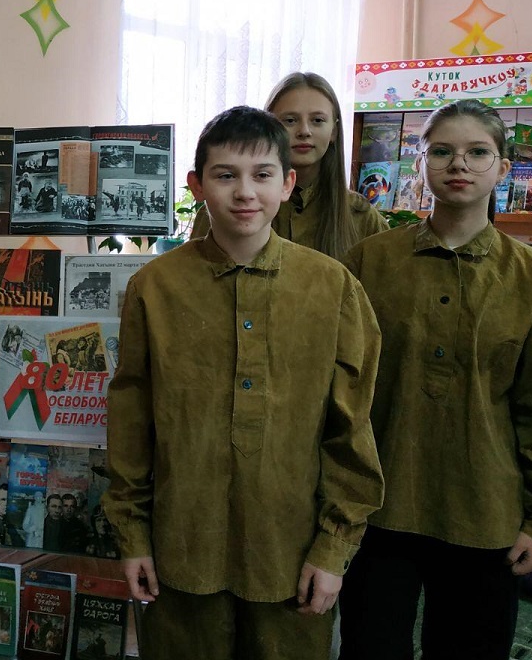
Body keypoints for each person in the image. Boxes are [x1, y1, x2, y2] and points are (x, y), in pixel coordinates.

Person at [104, 105, 384, 660]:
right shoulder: (155, 287)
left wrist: (334, 549)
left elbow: (350, 430)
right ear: (196, 185)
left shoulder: (331, 287)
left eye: (262, 175)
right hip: (182, 548)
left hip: (290, 552)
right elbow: (132, 422)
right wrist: (132, 537)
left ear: (288, 184)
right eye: (225, 175)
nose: (245, 192)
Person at [339, 99, 532, 660]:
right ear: (420, 162)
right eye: (442, 151)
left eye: (478, 153)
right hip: (379, 508)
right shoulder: (368, 263)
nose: (459, 164)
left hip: (487, 513)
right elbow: (342, 392)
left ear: (503, 169)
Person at [191, 72, 388, 259]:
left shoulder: (362, 217)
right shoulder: (226, 211)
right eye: (290, 120)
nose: (304, 131)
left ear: (334, 131)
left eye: (317, 120)